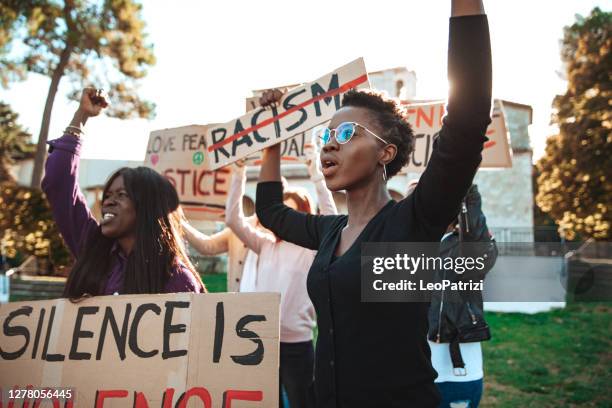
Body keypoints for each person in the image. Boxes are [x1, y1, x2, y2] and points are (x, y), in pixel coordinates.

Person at [255, 0, 492, 405]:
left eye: (347, 132)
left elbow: (468, 118)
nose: (330, 143)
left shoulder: (413, 224)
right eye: (325, 137)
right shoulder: (330, 232)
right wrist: (272, 140)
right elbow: (270, 213)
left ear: (386, 152)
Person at [42, 88, 204, 298]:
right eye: (108, 195)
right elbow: (59, 184)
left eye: (121, 195)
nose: (108, 202)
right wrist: (81, 117)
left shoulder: (177, 280)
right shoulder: (92, 247)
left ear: (147, 207)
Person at [223, 146, 337, 408]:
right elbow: (232, 218)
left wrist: (315, 171)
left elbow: (332, 218)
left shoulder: (314, 247)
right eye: (280, 213)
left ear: (304, 215)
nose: (284, 221)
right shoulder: (264, 243)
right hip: (258, 342)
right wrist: (239, 171)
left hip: (298, 346)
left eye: (291, 214)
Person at [427, 184, 498, 408]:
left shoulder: (467, 247)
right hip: (412, 376)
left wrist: (466, 185)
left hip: (456, 375)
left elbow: (478, 242)